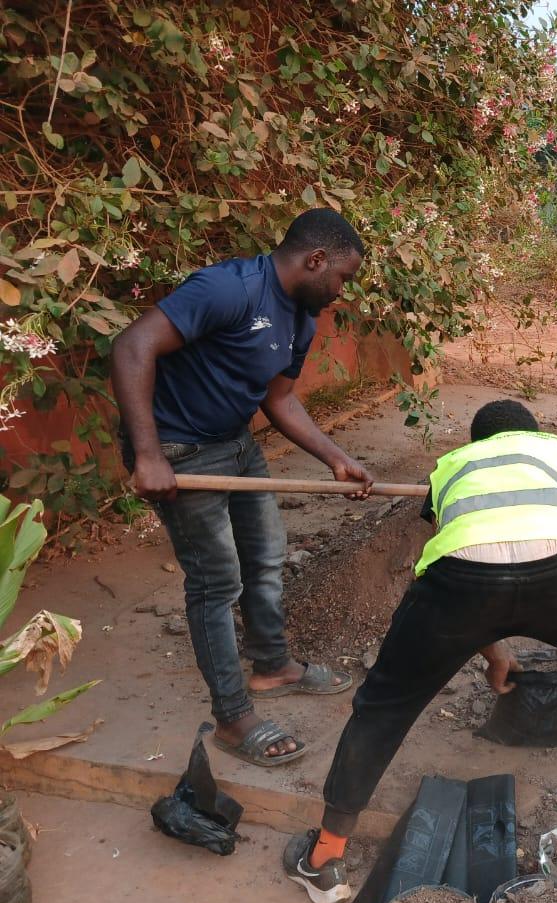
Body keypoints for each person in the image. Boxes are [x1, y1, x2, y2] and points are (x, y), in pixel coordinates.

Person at [283, 400, 557, 903]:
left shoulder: (452, 466)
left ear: (476, 440)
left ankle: (324, 860)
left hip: (461, 586)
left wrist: (493, 652)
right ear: (532, 432)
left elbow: (464, 556)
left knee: (386, 705)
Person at [111, 209, 373, 767]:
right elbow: (132, 347)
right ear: (316, 259)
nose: (341, 292)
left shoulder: (301, 318)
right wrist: (150, 454)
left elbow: (279, 400)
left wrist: (336, 458)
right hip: (179, 449)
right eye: (343, 278)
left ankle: (273, 667)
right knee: (215, 581)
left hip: (235, 443)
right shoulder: (228, 289)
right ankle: (232, 718)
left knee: (267, 556)